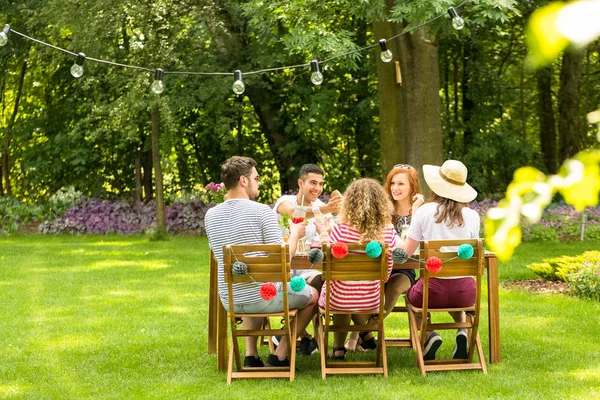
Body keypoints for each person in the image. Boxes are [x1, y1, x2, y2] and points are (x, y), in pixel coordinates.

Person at [205, 156, 318, 368]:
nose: (259, 182)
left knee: (252, 284)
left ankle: (251, 356)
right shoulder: (262, 212)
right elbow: (282, 259)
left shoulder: (211, 215)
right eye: (256, 178)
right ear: (243, 181)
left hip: (230, 299)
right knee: (313, 295)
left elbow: (217, 254)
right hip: (263, 297)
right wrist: (295, 234)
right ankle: (280, 355)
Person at [401, 159, 480, 361]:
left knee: (410, 296)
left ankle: (429, 335)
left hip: (432, 293)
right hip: (466, 294)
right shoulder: (472, 215)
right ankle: (462, 332)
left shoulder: (426, 211)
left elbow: (408, 251)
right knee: (455, 293)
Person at [345, 164, 425, 352]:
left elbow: (415, 243)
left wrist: (416, 210)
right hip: (376, 266)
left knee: (395, 286)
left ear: (412, 187)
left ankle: (368, 329)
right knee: (357, 286)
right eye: (392, 184)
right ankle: (357, 336)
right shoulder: (383, 209)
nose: (395, 188)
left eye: (401, 184)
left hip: (404, 268)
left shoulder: (421, 211)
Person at [316, 178, 398, 360]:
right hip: (372, 301)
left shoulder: (340, 231)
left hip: (336, 301)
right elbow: (385, 275)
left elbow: (328, 266)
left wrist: (323, 232)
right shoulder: (388, 233)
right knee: (353, 290)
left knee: (341, 289)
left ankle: (338, 348)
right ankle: (366, 334)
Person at [272, 164, 342, 355]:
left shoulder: (320, 206)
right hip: (283, 268)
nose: (317, 188)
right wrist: (326, 209)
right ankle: (300, 336)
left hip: (308, 269)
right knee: (314, 289)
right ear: (300, 183)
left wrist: (329, 226)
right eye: (313, 182)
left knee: (323, 282)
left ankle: (292, 334)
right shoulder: (285, 201)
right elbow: (295, 214)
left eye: (320, 184)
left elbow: (332, 235)